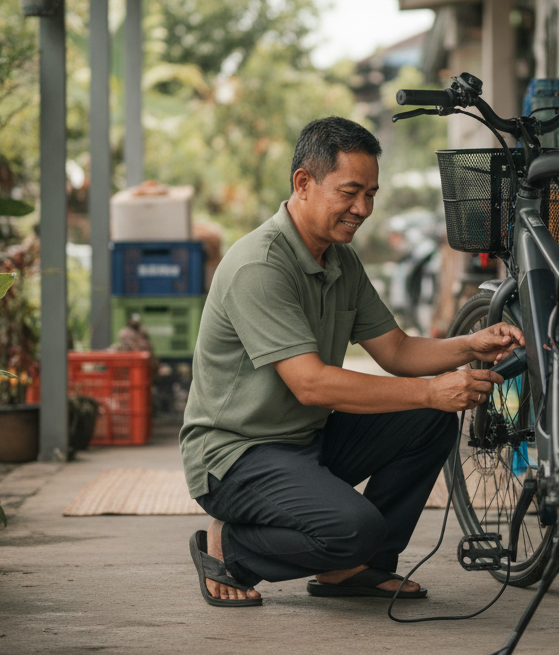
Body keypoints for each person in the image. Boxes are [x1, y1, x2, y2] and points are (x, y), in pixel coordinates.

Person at [180, 117, 524, 607]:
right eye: (350, 191)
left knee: (429, 420)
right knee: (354, 527)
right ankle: (231, 548)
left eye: (371, 193)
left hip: (305, 441)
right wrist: (432, 388)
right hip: (236, 455)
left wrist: (472, 345)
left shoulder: (340, 260)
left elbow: (397, 351)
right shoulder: (260, 265)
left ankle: (357, 570)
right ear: (303, 183)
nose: (362, 208)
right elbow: (312, 386)